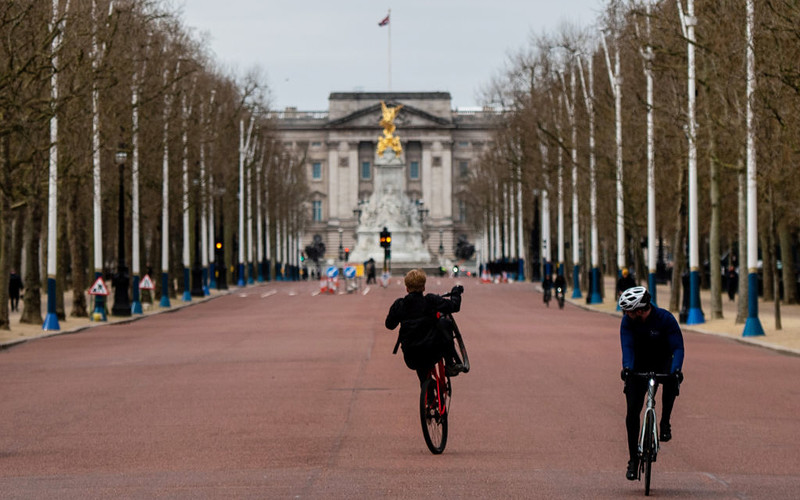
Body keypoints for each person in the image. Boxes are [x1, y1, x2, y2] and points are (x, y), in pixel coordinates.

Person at [618, 286, 684, 481]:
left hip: (662, 361)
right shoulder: (627, 323)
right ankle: (633, 460)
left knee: (672, 380)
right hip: (637, 364)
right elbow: (627, 346)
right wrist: (627, 368)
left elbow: (678, 347)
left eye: (628, 311)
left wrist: (677, 370)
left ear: (639, 310)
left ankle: (665, 423)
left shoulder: (665, 319)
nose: (625, 314)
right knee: (632, 412)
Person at [385, 269, 465, 384]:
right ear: (423, 287)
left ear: (407, 288)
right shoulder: (431, 301)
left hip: (410, 355)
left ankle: (428, 393)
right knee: (445, 323)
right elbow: (454, 306)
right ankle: (450, 364)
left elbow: (390, 325)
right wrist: (456, 293)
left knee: (419, 361)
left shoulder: (400, 304)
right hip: (433, 351)